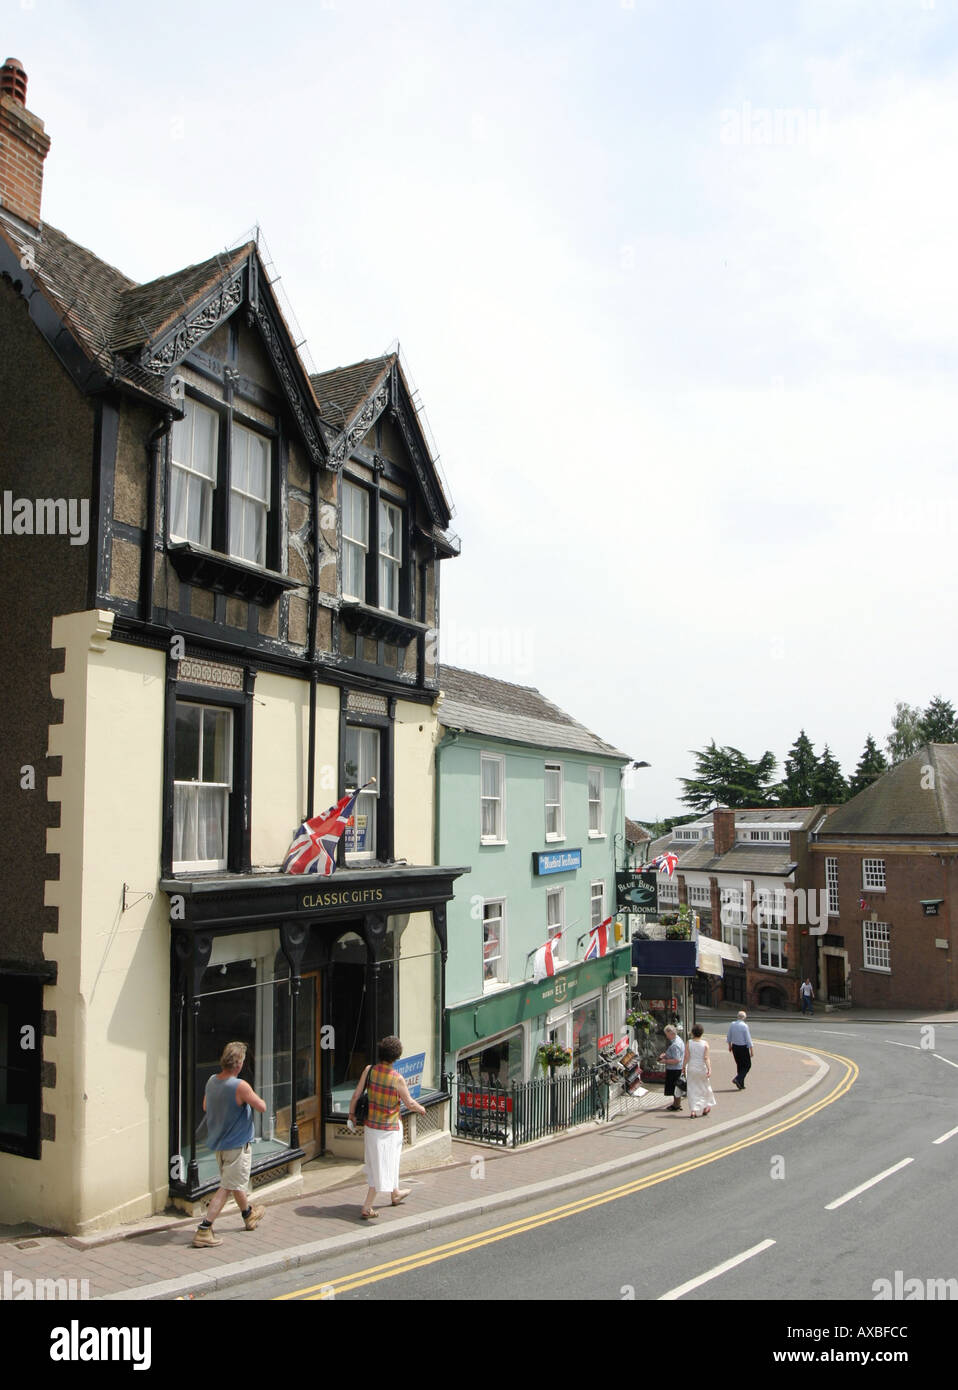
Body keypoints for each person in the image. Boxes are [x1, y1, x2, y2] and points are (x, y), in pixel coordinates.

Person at [193, 1041, 266, 1248]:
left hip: (219, 1144)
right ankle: (204, 1229)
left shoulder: (211, 1081)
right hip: (237, 1145)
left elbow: (206, 1105)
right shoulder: (240, 1086)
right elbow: (262, 1106)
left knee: (233, 1182)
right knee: (226, 1187)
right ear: (240, 1064)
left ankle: (248, 1215)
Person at [349, 1035, 426, 1220]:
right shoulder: (397, 1079)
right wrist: (422, 1109)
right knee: (382, 1167)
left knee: (386, 1163)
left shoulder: (370, 1070)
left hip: (371, 1128)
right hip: (389, 1130)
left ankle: (395, 1193)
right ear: (397, 1056)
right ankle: (367, 1207)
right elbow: (409, 1103)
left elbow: (356, 1095)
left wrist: (351, 1115)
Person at [683, 1023, 716, 1119]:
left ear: (693, 1033)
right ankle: (705, 1107)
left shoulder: (689, 1042)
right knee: (705, 1088)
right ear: (702, 1033)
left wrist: (683, 1067)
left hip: (692, 1068)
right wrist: (709, 1069)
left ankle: (693, 1111)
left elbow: (687, 1057)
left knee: (692, 1089)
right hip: (701, 1068)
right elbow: (706, 1058)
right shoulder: (705, 1044)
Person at [658, 1024, 685, 1112]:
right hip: (677, 1068)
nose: (666, 1036)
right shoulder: (678, 1040)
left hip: (674, 1069)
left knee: (675, 1088)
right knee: (676, 1088)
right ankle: (676, 1104)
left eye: (667, 1034)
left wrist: (664, 1061)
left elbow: (676, 1059)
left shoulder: (675, 1045)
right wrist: (666, 1055)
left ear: (671, 1033)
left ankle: (676, 1105)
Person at [726, 1010, 754, 1090]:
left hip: (735, 1047)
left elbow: (729, 1036)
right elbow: (748, 1039)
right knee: (747, 1065)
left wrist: (729, 1046)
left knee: (739, 1065)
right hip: (743, 1048)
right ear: (744, 1018)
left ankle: (741, 1084)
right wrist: (751, 1050)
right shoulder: (744, 1026)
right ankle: (738, 1079)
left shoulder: (732, 1024)